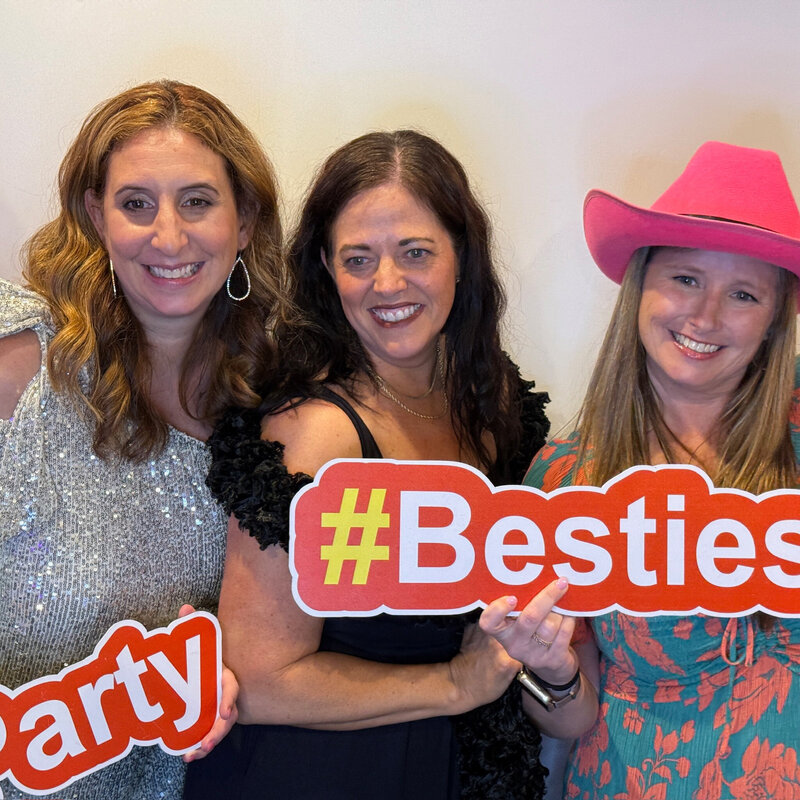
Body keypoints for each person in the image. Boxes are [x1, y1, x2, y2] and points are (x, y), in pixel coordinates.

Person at [184, 130, 551, 799]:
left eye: (415, 252)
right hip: (315, 776)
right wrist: (451, 685)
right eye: (358, 258)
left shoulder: (495, 405)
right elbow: (260, 680)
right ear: (326, 266)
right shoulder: (316, 433)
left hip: (445, 768)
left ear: (462, 256)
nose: (387, 283)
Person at [480, 140, 800, 797]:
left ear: (776, 320)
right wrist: (551, 667)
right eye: (685, 278)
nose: (705, 316)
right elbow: (569, 718)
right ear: (641, 286)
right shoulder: (568, 478)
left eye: (743, 294)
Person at [0, 79, 285, 800]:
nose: (168, 236)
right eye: (136, 204)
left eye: (197, 201)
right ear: (96, 215)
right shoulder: (24, 360)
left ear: (245, 219)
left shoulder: (277, 404)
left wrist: (227, 671)